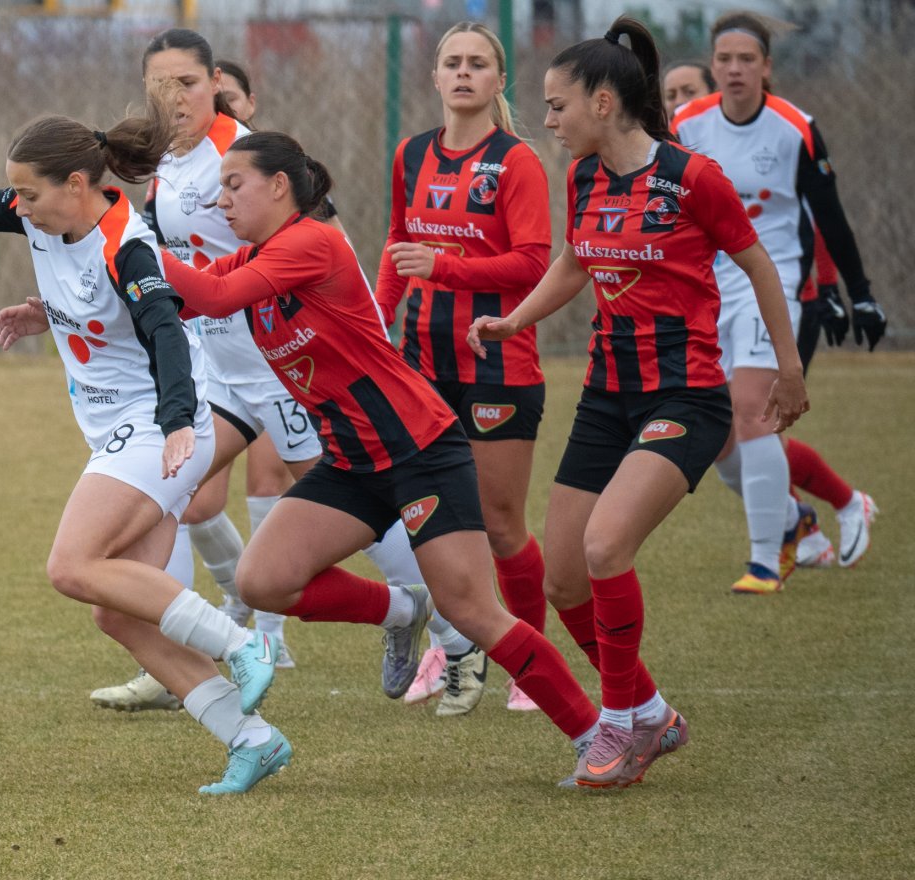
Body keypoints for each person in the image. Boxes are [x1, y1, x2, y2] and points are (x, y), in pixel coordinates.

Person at [0, 98, 290, 796]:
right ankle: (251, 739)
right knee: (117, 612)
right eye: (15, 192)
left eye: (30, 193)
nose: (18, 205)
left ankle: (243, 644)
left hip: (157, 428)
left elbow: (165, 330)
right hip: (127, 431)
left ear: (77, 184)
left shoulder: (127, 246)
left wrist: (176, 422)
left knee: (71, 566)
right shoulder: (44, 218)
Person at [163, 129, 606, 786]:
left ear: (279, 186)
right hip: (351, 463)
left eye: (234, 185)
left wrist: (125, 239)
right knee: (262, 581)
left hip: (419, 450)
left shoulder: (312, 242)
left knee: (472, 609)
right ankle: (402, 610)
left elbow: (215, 298)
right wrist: (63, 303)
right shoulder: (252, 258)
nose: (219, 200)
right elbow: (188, 292)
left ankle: (598, 735)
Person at [471, 16, 808, 787]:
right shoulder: (584, 176)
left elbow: (758, 266)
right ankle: (653, 712)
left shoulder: (693, 178)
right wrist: (515, 319)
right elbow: (574, 261)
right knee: (562, 580)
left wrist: (788, 370)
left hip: (686, 398)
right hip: (607, 395)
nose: (548, 121)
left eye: (557, 106)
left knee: (604, 547)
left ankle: (619, 726)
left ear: (602, 103)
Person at [93, 30, 435, 711]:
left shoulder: (243, 153)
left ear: (215, 82)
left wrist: (364, 335)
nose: (174, 98)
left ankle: (447, 628)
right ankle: (181, 661)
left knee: (353, 504)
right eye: (160, 86)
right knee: (171, 485)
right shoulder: (166, 163)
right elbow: (185, 273)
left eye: (187, 83)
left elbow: (322, 241)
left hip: (288, 369)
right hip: (221, 369)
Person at [376, 21, 550, 715]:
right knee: (433, 517)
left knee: (500, 524)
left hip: (496, 363)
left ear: (499, 79)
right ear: (435, 76)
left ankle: (531, 661)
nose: (463, 73)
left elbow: (535, 264)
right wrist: (377, 319)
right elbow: (399, 243)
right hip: (422, 360)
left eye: (478, 63)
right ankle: (454, 645)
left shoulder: (517, 161)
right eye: (452, 62)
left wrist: (444, 266)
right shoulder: (411, 153)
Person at [673, 11, 881, 592]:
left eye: (747, 59)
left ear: (766, 66)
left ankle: (766, 561)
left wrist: (859, 293)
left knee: (753, 411)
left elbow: (830, 217)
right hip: (708, 289)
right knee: (714, 435)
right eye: (724, 59)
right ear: (713, 65)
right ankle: (797, 519)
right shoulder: (687, 124)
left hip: (773, 283)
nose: (735, 69)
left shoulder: (796, 128)